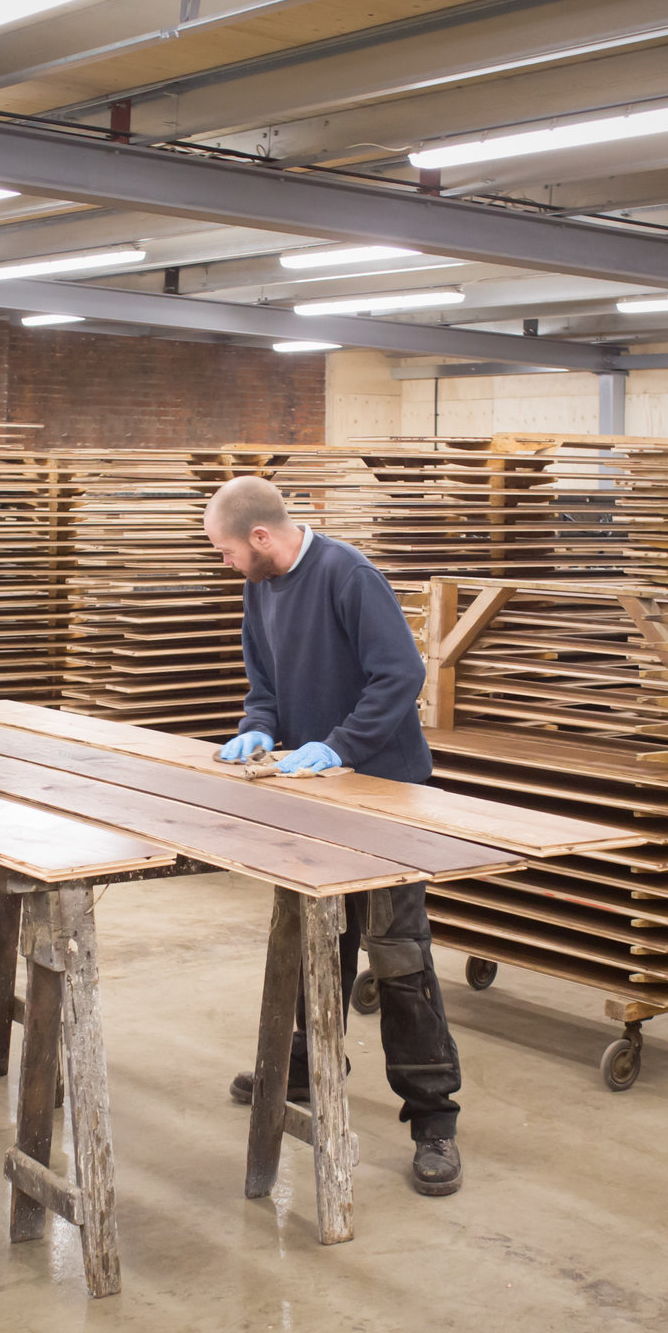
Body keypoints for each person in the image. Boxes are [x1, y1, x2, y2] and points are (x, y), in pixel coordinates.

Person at [204, 475, 467, 1196]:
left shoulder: (348, 576)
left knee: (396, 955)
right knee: (310, 935)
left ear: (261, 537)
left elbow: (400, 674)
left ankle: (433, 1119)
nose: (225, 565)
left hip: (384, 795)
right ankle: (307, 1063)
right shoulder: (260, 589)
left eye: (226, 551)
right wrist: (258, 723)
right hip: (310, 794)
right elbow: (264, 678)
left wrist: (341, 744)